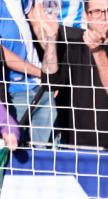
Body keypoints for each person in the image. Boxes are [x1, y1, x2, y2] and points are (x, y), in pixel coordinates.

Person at [50, 0, 108, 148]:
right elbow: (50, 81)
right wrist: (51, 39)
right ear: (85, 16)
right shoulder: (72, 45)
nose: (103, 17)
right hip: (81, 145)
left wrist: (97, 51)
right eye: (97, 12)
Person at [0, 1, 59, 145]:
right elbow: (1, 53)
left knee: (50, 155)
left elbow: (36, 21)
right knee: (16, 156)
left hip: (40, 86)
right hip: (12, 94)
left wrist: (50, 69)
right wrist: (42, 73)